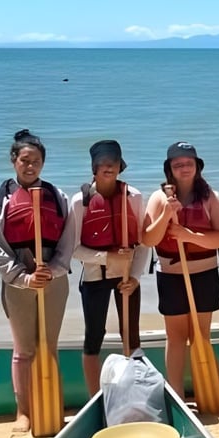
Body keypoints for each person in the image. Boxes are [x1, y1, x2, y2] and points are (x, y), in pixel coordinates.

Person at [0, 129, 74, 432]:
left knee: (49, 346)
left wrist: (53, 270)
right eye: (25, 160)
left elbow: (67, 241)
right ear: (14, 161)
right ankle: (23, 411)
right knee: (24, 350)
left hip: (53, 278)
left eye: (36, 161)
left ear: (43, 163)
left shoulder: (58, 197)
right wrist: (23, 278)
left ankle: (51, 407)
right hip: (17, 281)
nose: (30, 166)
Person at [141, 142, 219, 398]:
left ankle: (207, 391)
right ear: (170, 169)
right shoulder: (159, 198)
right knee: (176, 337)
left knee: (201, 335)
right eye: (178, 164)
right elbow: (148, 239)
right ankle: (176, 392)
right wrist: (166, 214)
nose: (184, 168)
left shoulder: (211, 197)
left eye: (188, 163)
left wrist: (188, 235)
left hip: (204, 274)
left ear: (197, 166)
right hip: (171, 276)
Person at [69, 140, 149, 395]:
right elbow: (73, 250)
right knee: (94, 336)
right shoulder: (80, 201)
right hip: (94, 277)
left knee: (131, 335)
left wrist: (135, 277)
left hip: (127, 279)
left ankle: (134, 392)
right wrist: (107, 258)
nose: (108, 167)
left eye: (113, 162)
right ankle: (95, 397)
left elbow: (143, 241)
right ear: (93, 167)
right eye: (102, 163)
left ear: (120, 166)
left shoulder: (133, 196)